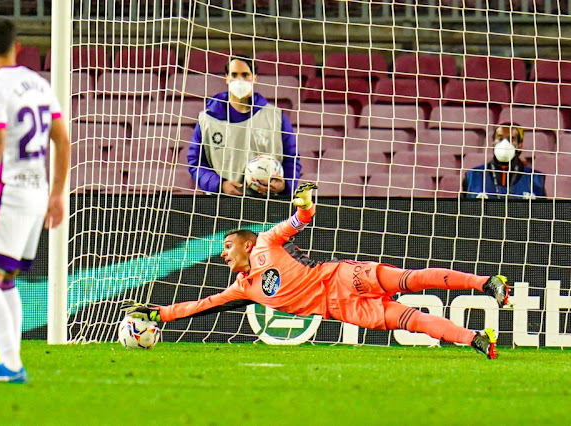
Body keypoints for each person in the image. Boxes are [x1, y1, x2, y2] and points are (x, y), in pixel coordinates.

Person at [123, 183, 510, 359]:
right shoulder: (244, 288)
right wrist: (160, 314)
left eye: (226, 247)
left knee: (409, 279)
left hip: (340, 276)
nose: (223, 255)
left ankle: (486, 282)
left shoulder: (265, 243)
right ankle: (475, 338)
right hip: (342, 310)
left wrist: (305, 205)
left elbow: (297, 220)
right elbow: (203, 304)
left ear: (244, 243)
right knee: (412, 320)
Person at [0, 18, 70, 383]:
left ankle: (11, 365)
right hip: (37, 191)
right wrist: (56, 194)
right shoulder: (39, 83)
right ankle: (12, 362)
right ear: (18, 47)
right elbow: (63, 140)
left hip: (8, 193)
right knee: (4, 279)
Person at [187, 55, 301, 197]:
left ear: (254, 78)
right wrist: (219, 184)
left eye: (245, 75)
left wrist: (285, 185)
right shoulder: (207, 119)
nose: (239, 80)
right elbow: (196, 162)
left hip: (268, 203)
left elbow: (291, 157)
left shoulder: (276, 116)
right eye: (234, 75)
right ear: (226, 78)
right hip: (222, 203)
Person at [462, 121, 546, 199]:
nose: (505, 143)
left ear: (520, 145)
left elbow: (545, 212)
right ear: (493, 143)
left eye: (511, 139)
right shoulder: (473, 177)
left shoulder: (535, 179)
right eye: (500, 138)